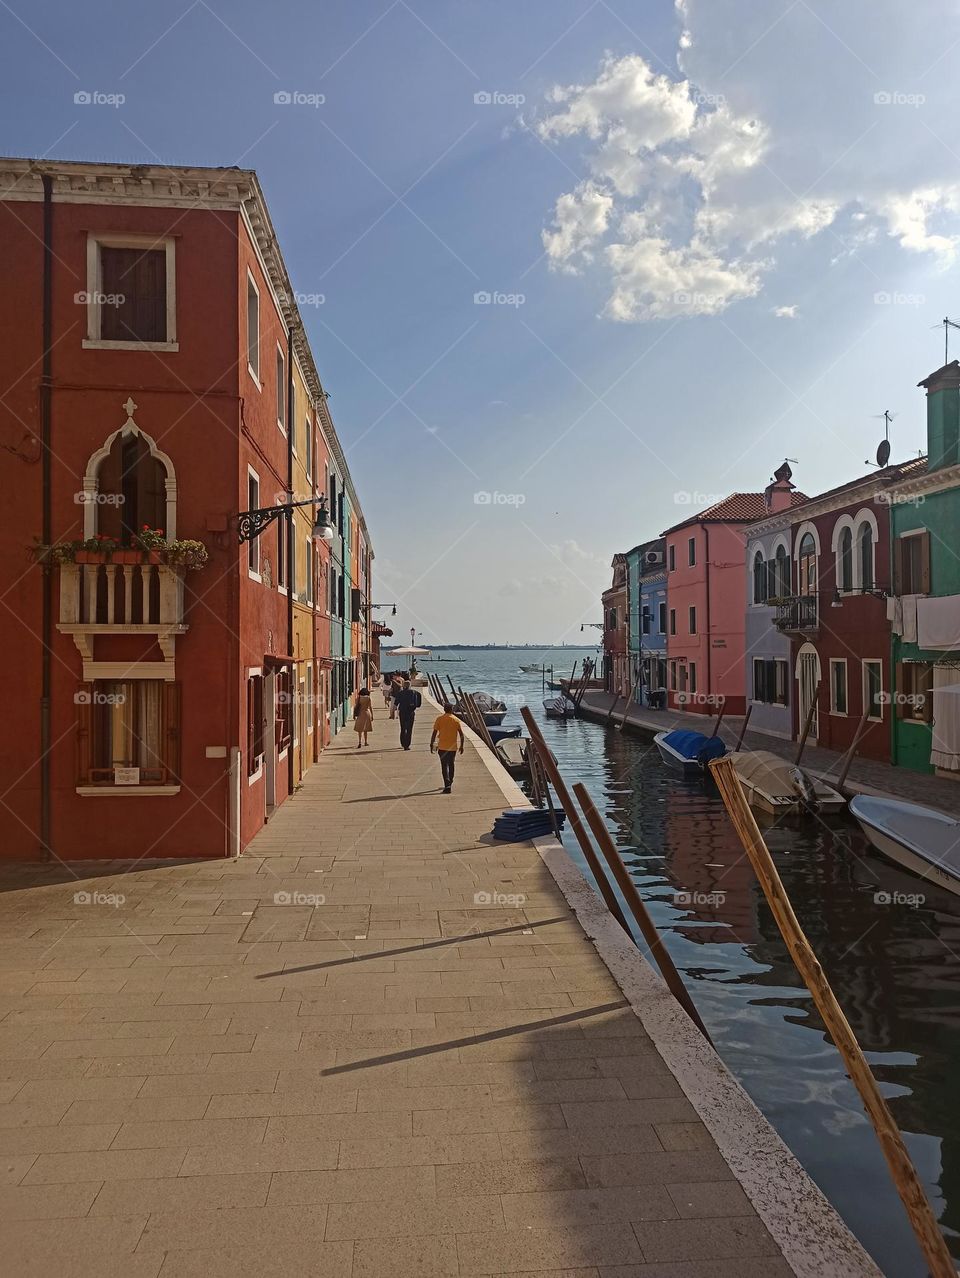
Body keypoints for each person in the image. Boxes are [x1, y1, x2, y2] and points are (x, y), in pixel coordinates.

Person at [430, 702, 464, 793]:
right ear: (452, 710)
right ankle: (450, 781)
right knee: (451, 764)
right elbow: (461, 734)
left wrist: (431, 743)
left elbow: (434, 732)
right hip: (452, 747)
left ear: (444, 709)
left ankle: (447, 784)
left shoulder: (439, 719)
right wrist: (462, 746)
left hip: (442, 747)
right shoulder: (456, 720)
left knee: (444, 766)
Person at [394, 679, 422, 750]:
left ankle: (403, 743)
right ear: (410, 686)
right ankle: (407, 745)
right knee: (409, 729)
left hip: (402, 712)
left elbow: (395, 704)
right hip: (410, 712)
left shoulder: (400, 693)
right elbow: (418, 704)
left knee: (403, 728)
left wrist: (393, 713)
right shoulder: (415, 693)